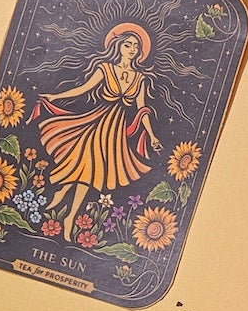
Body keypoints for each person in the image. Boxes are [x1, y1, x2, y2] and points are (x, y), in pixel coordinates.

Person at [36, 22, 157, 228]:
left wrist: (152, 135)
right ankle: (68, 210)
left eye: (136, 46)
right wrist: (56, 96)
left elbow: (142, 109)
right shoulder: (106, 68)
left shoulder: (140, 78)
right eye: (128, 44)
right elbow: (83, 89)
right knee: (85, 164)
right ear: (118, 46)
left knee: (92, 171)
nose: (132, 49)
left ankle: (67, 206)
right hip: (97, 122)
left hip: (115, 131)